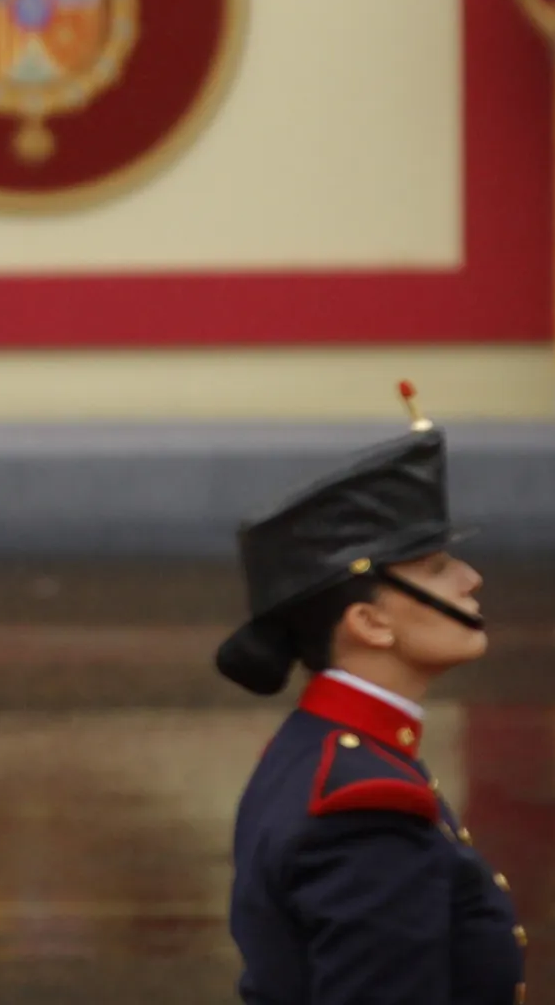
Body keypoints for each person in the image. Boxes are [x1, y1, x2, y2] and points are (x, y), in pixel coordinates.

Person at [217, 398, 525, 1005]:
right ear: (370, 623)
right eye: (437, 568)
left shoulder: (318, 750)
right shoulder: (365, 808)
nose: (470, 579)